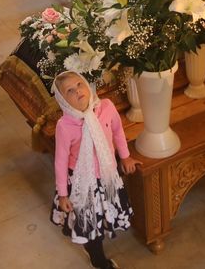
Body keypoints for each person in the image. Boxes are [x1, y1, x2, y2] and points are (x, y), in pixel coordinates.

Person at [51, 71, 138, 269]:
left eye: (79, 84)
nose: (77, 91)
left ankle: (95, 240)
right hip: (82, 183)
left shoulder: (106, 107)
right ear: (63, 101)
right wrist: (63, 194)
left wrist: (125, 156)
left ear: (87, 85)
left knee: (103, 216)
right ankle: (97, 259)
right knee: (89, 224)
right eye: (69, 91)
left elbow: (117, 131)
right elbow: (60, 161)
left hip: (106, 176)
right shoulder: (65, 126)